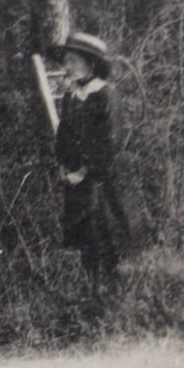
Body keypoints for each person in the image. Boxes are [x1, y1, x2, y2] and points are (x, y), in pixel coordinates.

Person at [52, 31, 130, 301]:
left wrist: (84, 171)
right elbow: (62, 137)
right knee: (83, 235)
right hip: (74, 180)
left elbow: (109, 142)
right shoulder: (71, 97)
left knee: (102, 232)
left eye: (72, 60)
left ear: (89, 63)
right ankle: (90, 289)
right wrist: (64, 166)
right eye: (66, 61)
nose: (67, 67)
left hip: (100, 179)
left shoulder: (105, 95)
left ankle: (113, 291)